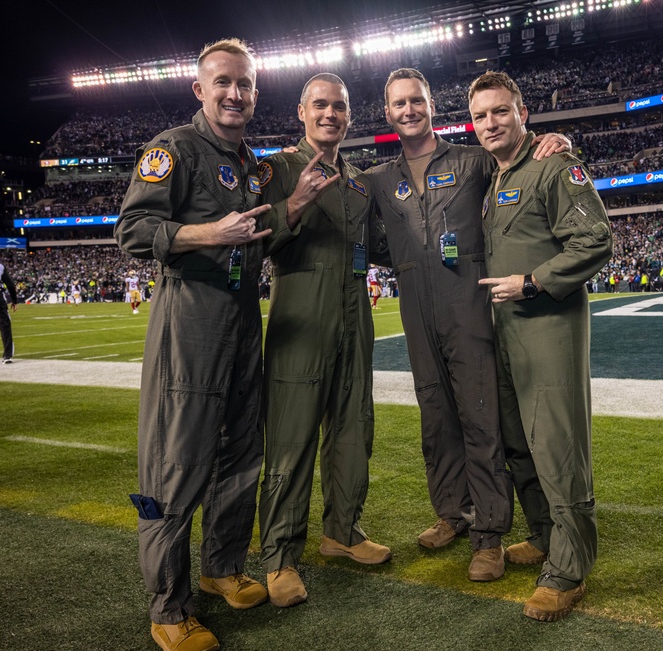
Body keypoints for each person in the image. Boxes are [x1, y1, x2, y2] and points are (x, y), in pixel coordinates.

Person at [365, 68, 571, 582]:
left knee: (482, 421)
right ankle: (451, 514)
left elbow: (516, 156)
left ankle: (489, 535)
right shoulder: (378, 179)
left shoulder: (471, 159)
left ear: (432, 105)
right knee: (436, 419)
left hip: (468, 307)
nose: (408, 110)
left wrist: (553, 139)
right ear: (387, 114)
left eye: (417, 100)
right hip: (416, 309)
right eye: (398, 104)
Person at [114, 38, 273, 651]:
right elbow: (131, 230)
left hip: (241, 319)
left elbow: (259, 231)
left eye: (245, 84)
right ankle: (169, 607)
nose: (235, 94)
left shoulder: (251, 161)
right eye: (224, 83)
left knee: (240, 452)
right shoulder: (172, 148)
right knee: (175, 462)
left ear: (256, 93)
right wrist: (208, 232)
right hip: (190, 322)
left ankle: (221, 568)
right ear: (200, 90)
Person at [469, 71, 613, 621]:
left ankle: (570, 569)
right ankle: (546, 536)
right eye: (481, 116)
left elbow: (596, 239)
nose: (490, 124)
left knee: (556, 445)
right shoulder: (494, 175)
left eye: (500, 112)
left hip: (547, 327)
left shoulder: (553, 166)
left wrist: (532, 281)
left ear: (522, 112)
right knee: (518, 441)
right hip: (504, 333)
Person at [257, 73, 390, 609]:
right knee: (291, 436)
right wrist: (293, 203)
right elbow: (258, 235)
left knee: (354, 425)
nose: (330, 113)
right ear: (301, 112)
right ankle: (280, 555)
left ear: (350, 116)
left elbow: (380, 243)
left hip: (355, 314)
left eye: (338, 106)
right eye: (320, 105)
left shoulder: (359, 181)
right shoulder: (280, 168)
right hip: (302, 314)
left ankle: (341, 531)